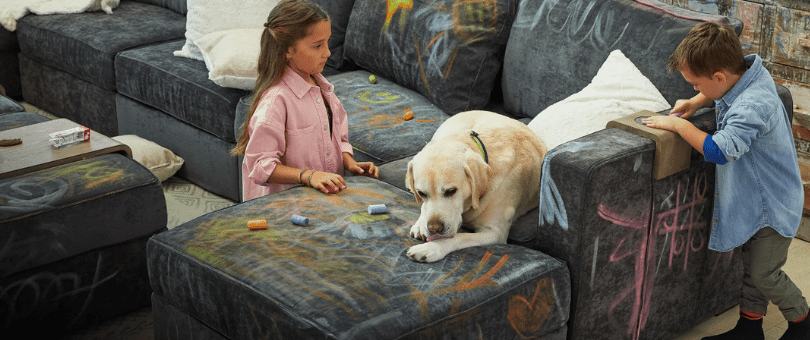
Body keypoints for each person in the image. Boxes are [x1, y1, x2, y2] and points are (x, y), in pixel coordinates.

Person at [642, 22, 808, 340]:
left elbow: (719, 150)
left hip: (773, 205)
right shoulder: (745, 75)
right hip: (757, 201)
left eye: (695, 85)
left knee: (765, 274)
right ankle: (749, 328)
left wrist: (676, 126)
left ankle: (802, 322)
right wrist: (698, 102)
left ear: (719, 77)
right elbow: (723, 89)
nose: (693, 90)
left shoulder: (753, 106)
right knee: (752, 268)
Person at [232, 0, 378, 201]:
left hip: (322, 202)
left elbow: (337, 138)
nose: (327, 52)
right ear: (288, 50)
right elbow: (259, 166)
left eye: (327, 42)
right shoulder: (276, 102)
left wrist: (349, 163)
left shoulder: (323, 88)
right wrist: (309, 176)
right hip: (284, 211)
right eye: (318, 45)